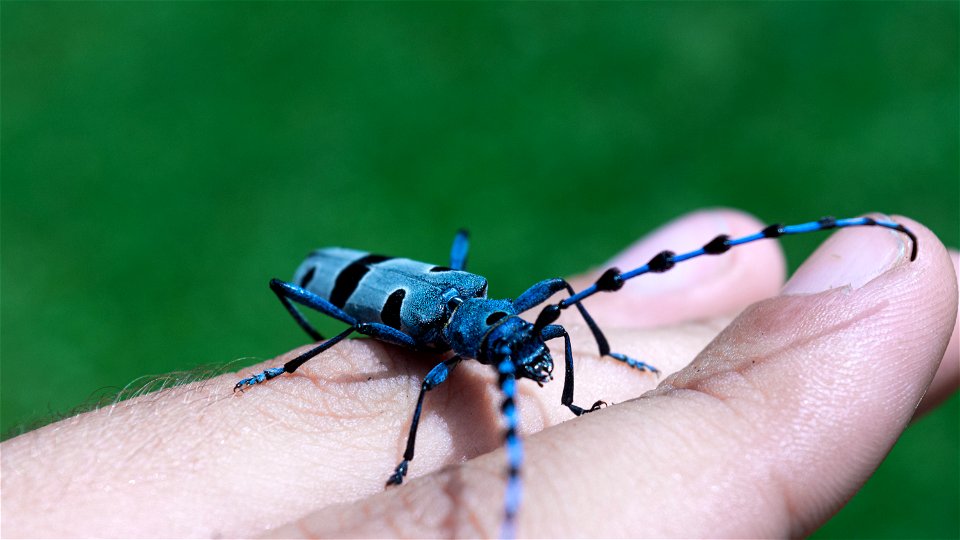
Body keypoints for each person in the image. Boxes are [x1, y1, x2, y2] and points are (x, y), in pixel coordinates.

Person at [2, 209, 957, 538]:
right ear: (476, 345)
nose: (523, 364)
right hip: (346, 287)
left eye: (524, 351)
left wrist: (595, 365)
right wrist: (292, 372)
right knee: (351, 344)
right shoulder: (435, 346)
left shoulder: (506, 321)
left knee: (591, 293)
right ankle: (296, 361)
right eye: (514, 359)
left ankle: (610, 358)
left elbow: (546, 321)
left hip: (424, 283)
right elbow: (422, 374)